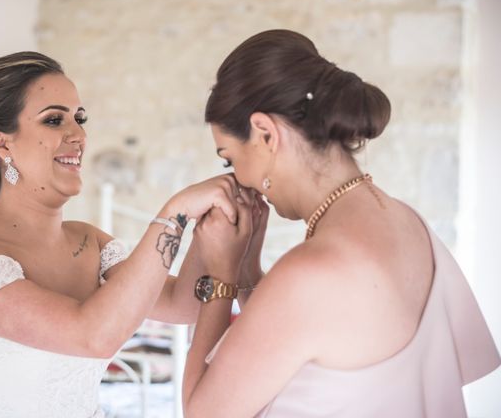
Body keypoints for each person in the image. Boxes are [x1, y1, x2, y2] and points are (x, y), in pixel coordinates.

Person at [182, 29, 501, 418]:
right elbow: (299, 337)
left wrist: (221, 275)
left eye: (228, 159)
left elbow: (204, 413)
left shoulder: (313, 271)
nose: (239, 178)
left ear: (265, 134)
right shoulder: (406, 221)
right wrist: (248, 267)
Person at [0, 51, 244, 417]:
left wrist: (209, 222)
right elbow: (93, 336)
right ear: (2, 143)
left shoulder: (90, 243)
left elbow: (184, 305)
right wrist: (174, 212)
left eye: (80, 118)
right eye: (54, 120)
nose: (79, 135)